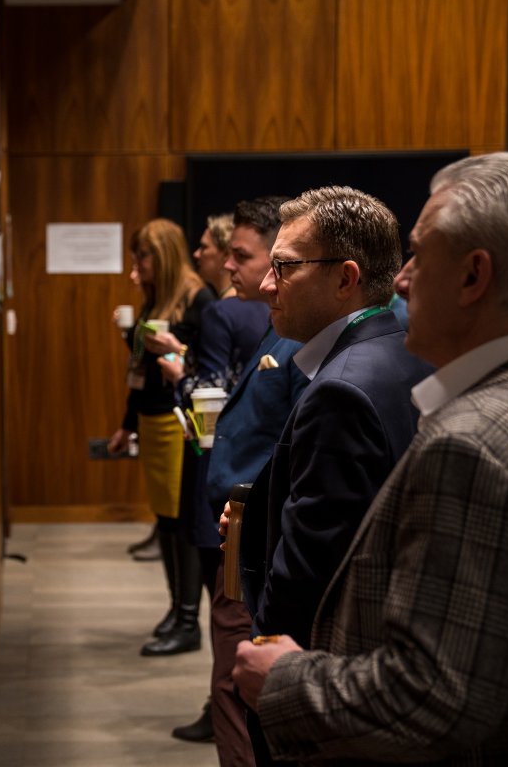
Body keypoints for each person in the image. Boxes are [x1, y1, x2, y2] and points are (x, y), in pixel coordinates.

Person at [235, 153, 508, 764]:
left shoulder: (472, 446)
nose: (401, 280)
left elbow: (427, 700)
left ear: (472, 277)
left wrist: (283, 679)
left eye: (419, 255)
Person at [231, 186, 433, 764]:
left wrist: (268, 676)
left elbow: (310, 576)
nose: (267, 286)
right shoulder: (401, 350)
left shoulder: (341, 389)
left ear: (346, 278)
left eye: (284, 268)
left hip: (323, 695)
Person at [153, 204, 292, 750]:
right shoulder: (271, 325)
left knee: (235, 673)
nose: (229, 265)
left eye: (242, 254)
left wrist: (181, 375)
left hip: (254, 531)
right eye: (227, 253)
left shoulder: (285, 334)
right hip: (247, 523)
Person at [108, 218, 215, 657]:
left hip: (179, 422)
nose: (137, 267)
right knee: (165, 522)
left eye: (143, 257)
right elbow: (140, 375)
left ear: (164, 255)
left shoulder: (198, 300)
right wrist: (127, 424)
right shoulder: (154, 299)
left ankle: (189, 621)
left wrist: (173, 350)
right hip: (151, 421)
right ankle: (177, 610)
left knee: (180, 522)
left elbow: (207, 370)